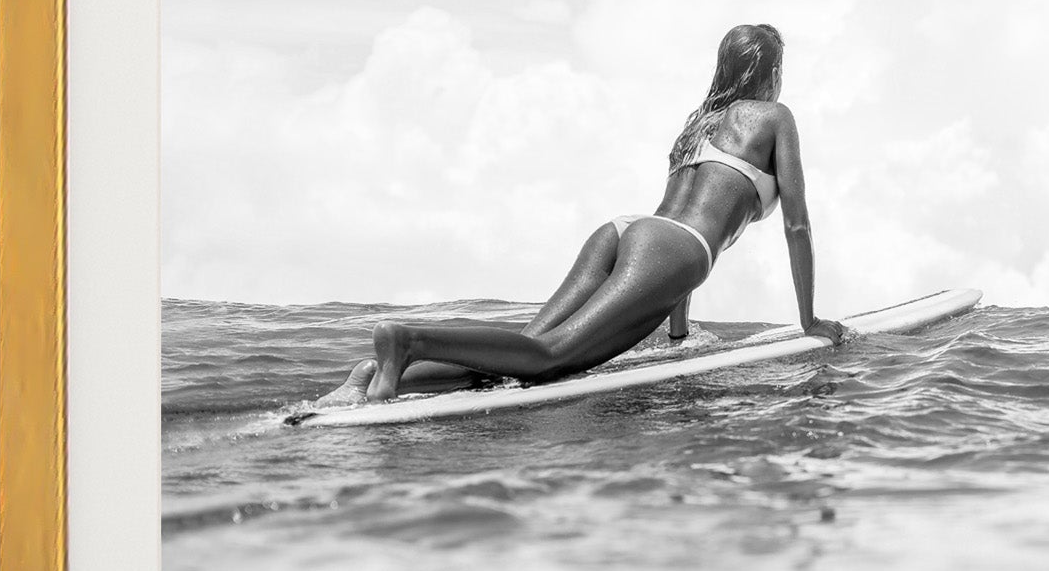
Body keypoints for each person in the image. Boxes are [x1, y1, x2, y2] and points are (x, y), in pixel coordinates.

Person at [319, 23, 845, 406]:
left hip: (626, 232)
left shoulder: (696, 125)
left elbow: (681, 219)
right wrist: (809, 321)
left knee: (513, 361)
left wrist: (680, 337)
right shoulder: (774, 118)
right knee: (549, 358)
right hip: (672, 249)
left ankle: (375, 375)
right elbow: (794, 224)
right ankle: (407, 339)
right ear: (771, 72)